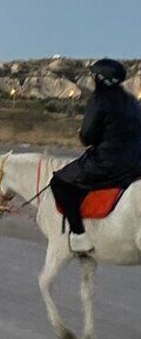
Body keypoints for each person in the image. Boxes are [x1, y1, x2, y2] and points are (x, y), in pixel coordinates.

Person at [50, 59, 141, 255]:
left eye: (94, 76)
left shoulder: (99, 100)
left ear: (100, 79)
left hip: (108, 163)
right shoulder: (133, 101)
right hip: (137, 163)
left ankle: (79, 235)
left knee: (59, 182)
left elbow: (87, 137)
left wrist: (85, 133)